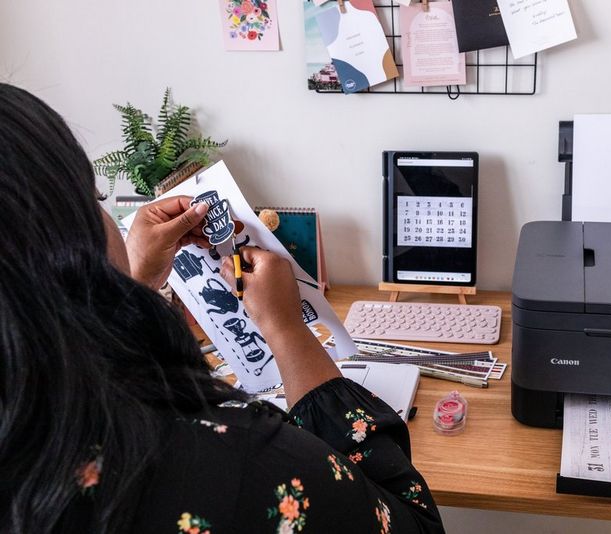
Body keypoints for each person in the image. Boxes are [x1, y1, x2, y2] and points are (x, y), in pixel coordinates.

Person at [0, 83, 444, 534]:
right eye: (95, 199)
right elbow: (412, 524)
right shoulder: (232, 457)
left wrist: (136, 282)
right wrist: (287, 329)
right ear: (65, 250)